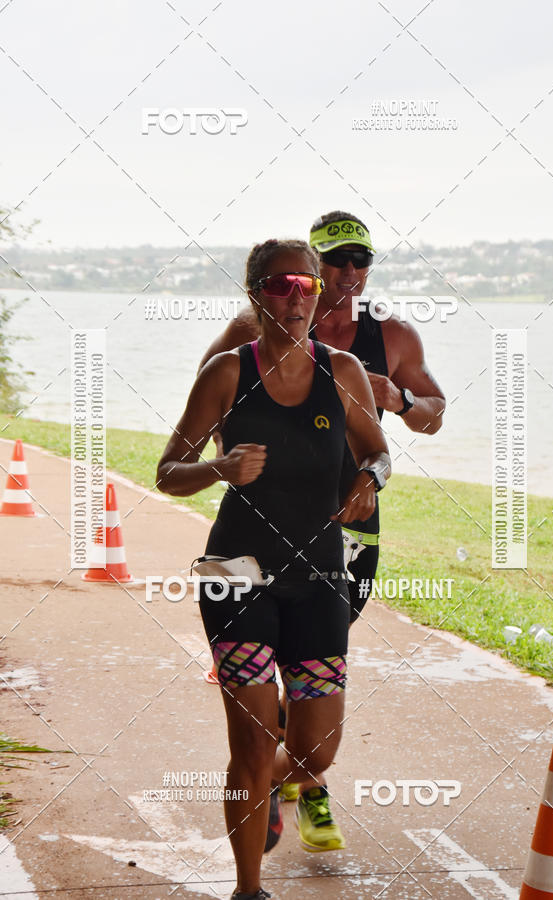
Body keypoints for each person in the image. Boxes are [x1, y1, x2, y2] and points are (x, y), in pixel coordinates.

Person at [196, 213, 446, 851]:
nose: (350, 274)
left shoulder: (387, 335)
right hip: (265, 530)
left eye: (363, 261)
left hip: (349, 526)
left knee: (318, 656)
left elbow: (431, 414)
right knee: (270, 667)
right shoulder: (248, 332)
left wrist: (399, 402)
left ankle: (293, 771)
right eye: (336, 262)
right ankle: (293, 786)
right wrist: (246, 466)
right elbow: (211, 407)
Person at [157, 238, 390, 900]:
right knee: (253, 744)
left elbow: (378, 451)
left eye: (309, 286)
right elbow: (169, 471)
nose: (298, 297)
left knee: (317, 752)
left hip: (318, 576)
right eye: (284, 284)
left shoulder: (341, 371)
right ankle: (248, 889)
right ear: (257, 291)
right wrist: (217, 469)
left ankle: (273, 792)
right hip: (235, 572)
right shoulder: (228, 373)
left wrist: (370, 480)